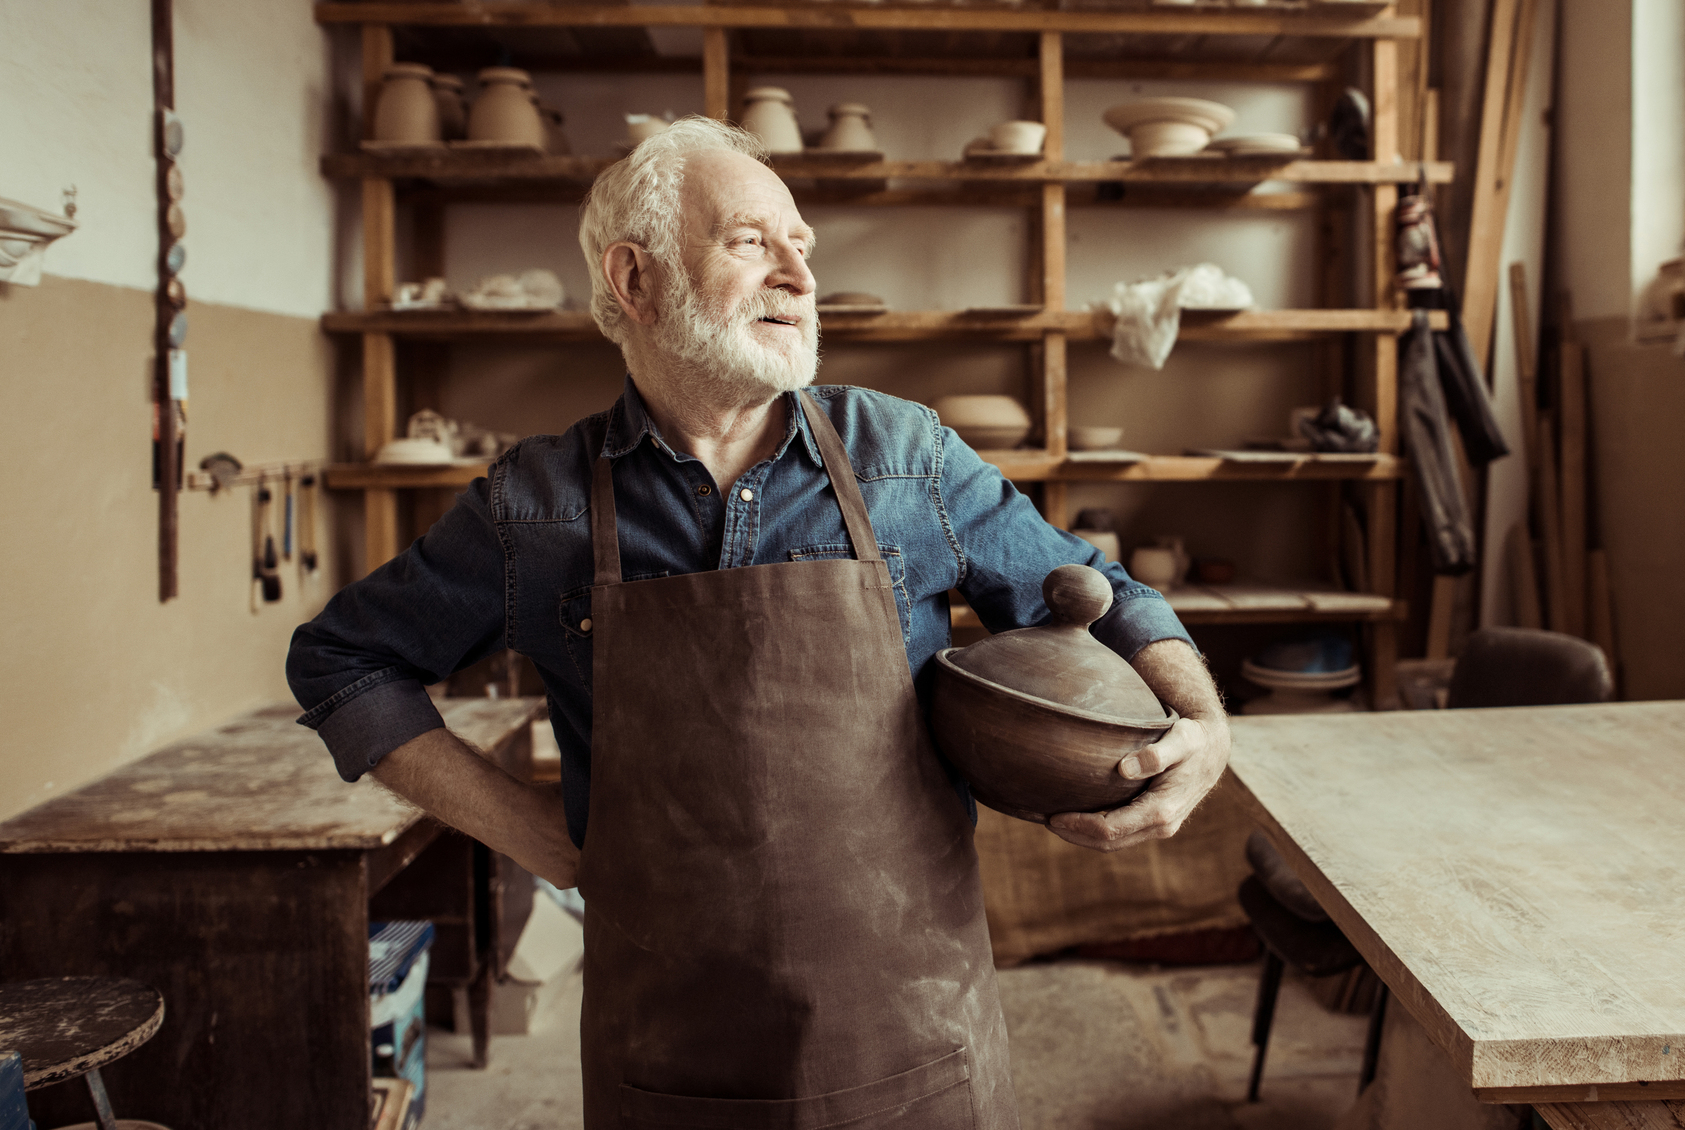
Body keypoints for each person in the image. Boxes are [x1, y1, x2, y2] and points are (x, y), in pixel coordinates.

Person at [288, 117, 1230, 1127]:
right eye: (750, 241)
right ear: (633, 279)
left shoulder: (902, 455)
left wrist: (1201, 729)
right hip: (670, 1051)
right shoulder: (540, 504)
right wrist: (544, 839)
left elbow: (1101, 592)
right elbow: (343, 660)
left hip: (912, 1036)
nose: (797, 273)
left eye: (801, 247)